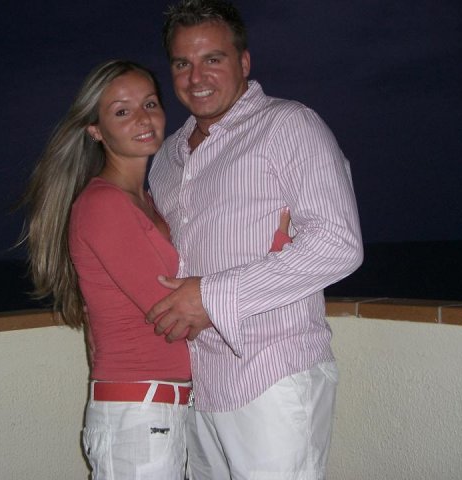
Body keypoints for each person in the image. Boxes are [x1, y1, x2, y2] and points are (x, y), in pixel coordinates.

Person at [146, 1, 364, 479]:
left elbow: (338, 242)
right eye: (182, 63)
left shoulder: (288, 125)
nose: (196, 77)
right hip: (199, 384)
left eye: (213, 59)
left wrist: (210, 296)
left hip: (272, 376)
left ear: (243, 62)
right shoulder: (165, 159)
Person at [19, 60, 191, 479]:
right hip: (139, 413)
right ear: (95, 129)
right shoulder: (104, 205)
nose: (143, 119)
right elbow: (176, 316)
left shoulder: (146, 200)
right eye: (122, 111)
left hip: (157, 409)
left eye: (150, 104)